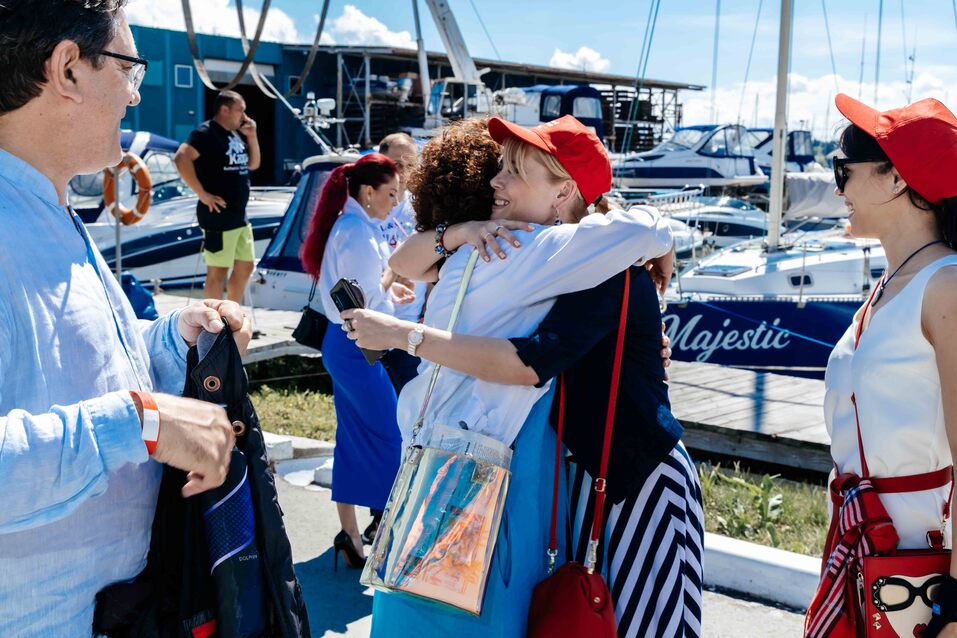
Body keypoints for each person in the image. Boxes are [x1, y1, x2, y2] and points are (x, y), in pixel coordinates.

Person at [344, 117, 703, 637]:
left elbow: (528, 362)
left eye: (513, 171)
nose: (497, 181)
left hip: (635, 478)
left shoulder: (565, 255)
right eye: (498, 169)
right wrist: (464, 233)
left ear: (563, 192)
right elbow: (408, 262)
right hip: (579, 475)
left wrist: (404, 335)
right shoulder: (509, 247)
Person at [0, 1, 250, 635]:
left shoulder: (47, 210)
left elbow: (67, 368)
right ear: (67, 69)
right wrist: (140, 424)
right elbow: (114, 415)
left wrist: (173, 337)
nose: (136, 96)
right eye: (129, 68)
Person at [803, 95, 957, 638]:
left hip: (915, 572)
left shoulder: (945, 285)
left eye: (843, 170)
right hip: (866, 552)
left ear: (896, 179)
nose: (838, 188)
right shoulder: (891, 285)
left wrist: (955, 609)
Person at [299, 153, 413, 569]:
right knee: (390, 437)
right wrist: (395, 288)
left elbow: (359, 293)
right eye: (391, 194)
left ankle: (350, 535)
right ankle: (389, 539)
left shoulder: (349, 226)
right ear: (368, 192)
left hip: (343, 343)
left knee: (355, 437)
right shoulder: (359, 232)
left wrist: (389, 289)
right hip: (356, 345)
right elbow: (369, 303)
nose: (394, 202)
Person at [174, 89, 261, 302]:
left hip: (239, 215)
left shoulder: (234, 135)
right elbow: (181, 158)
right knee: (218, 272)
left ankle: (231, 314)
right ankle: (213, 320)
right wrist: (203, 195)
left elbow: (253, 164)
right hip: (218, 215)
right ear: (224, 109)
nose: (245, 117)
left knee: (246, 266)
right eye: (240, 111)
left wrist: (252, 136)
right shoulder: (205, 133)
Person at [376, 132, 427, 393]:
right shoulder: (366, 207)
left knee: (407, 402)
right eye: (396, 164)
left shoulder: (422, 209)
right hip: (372, 324)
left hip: (409, 326)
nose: (403, 171)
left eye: (410, 164)